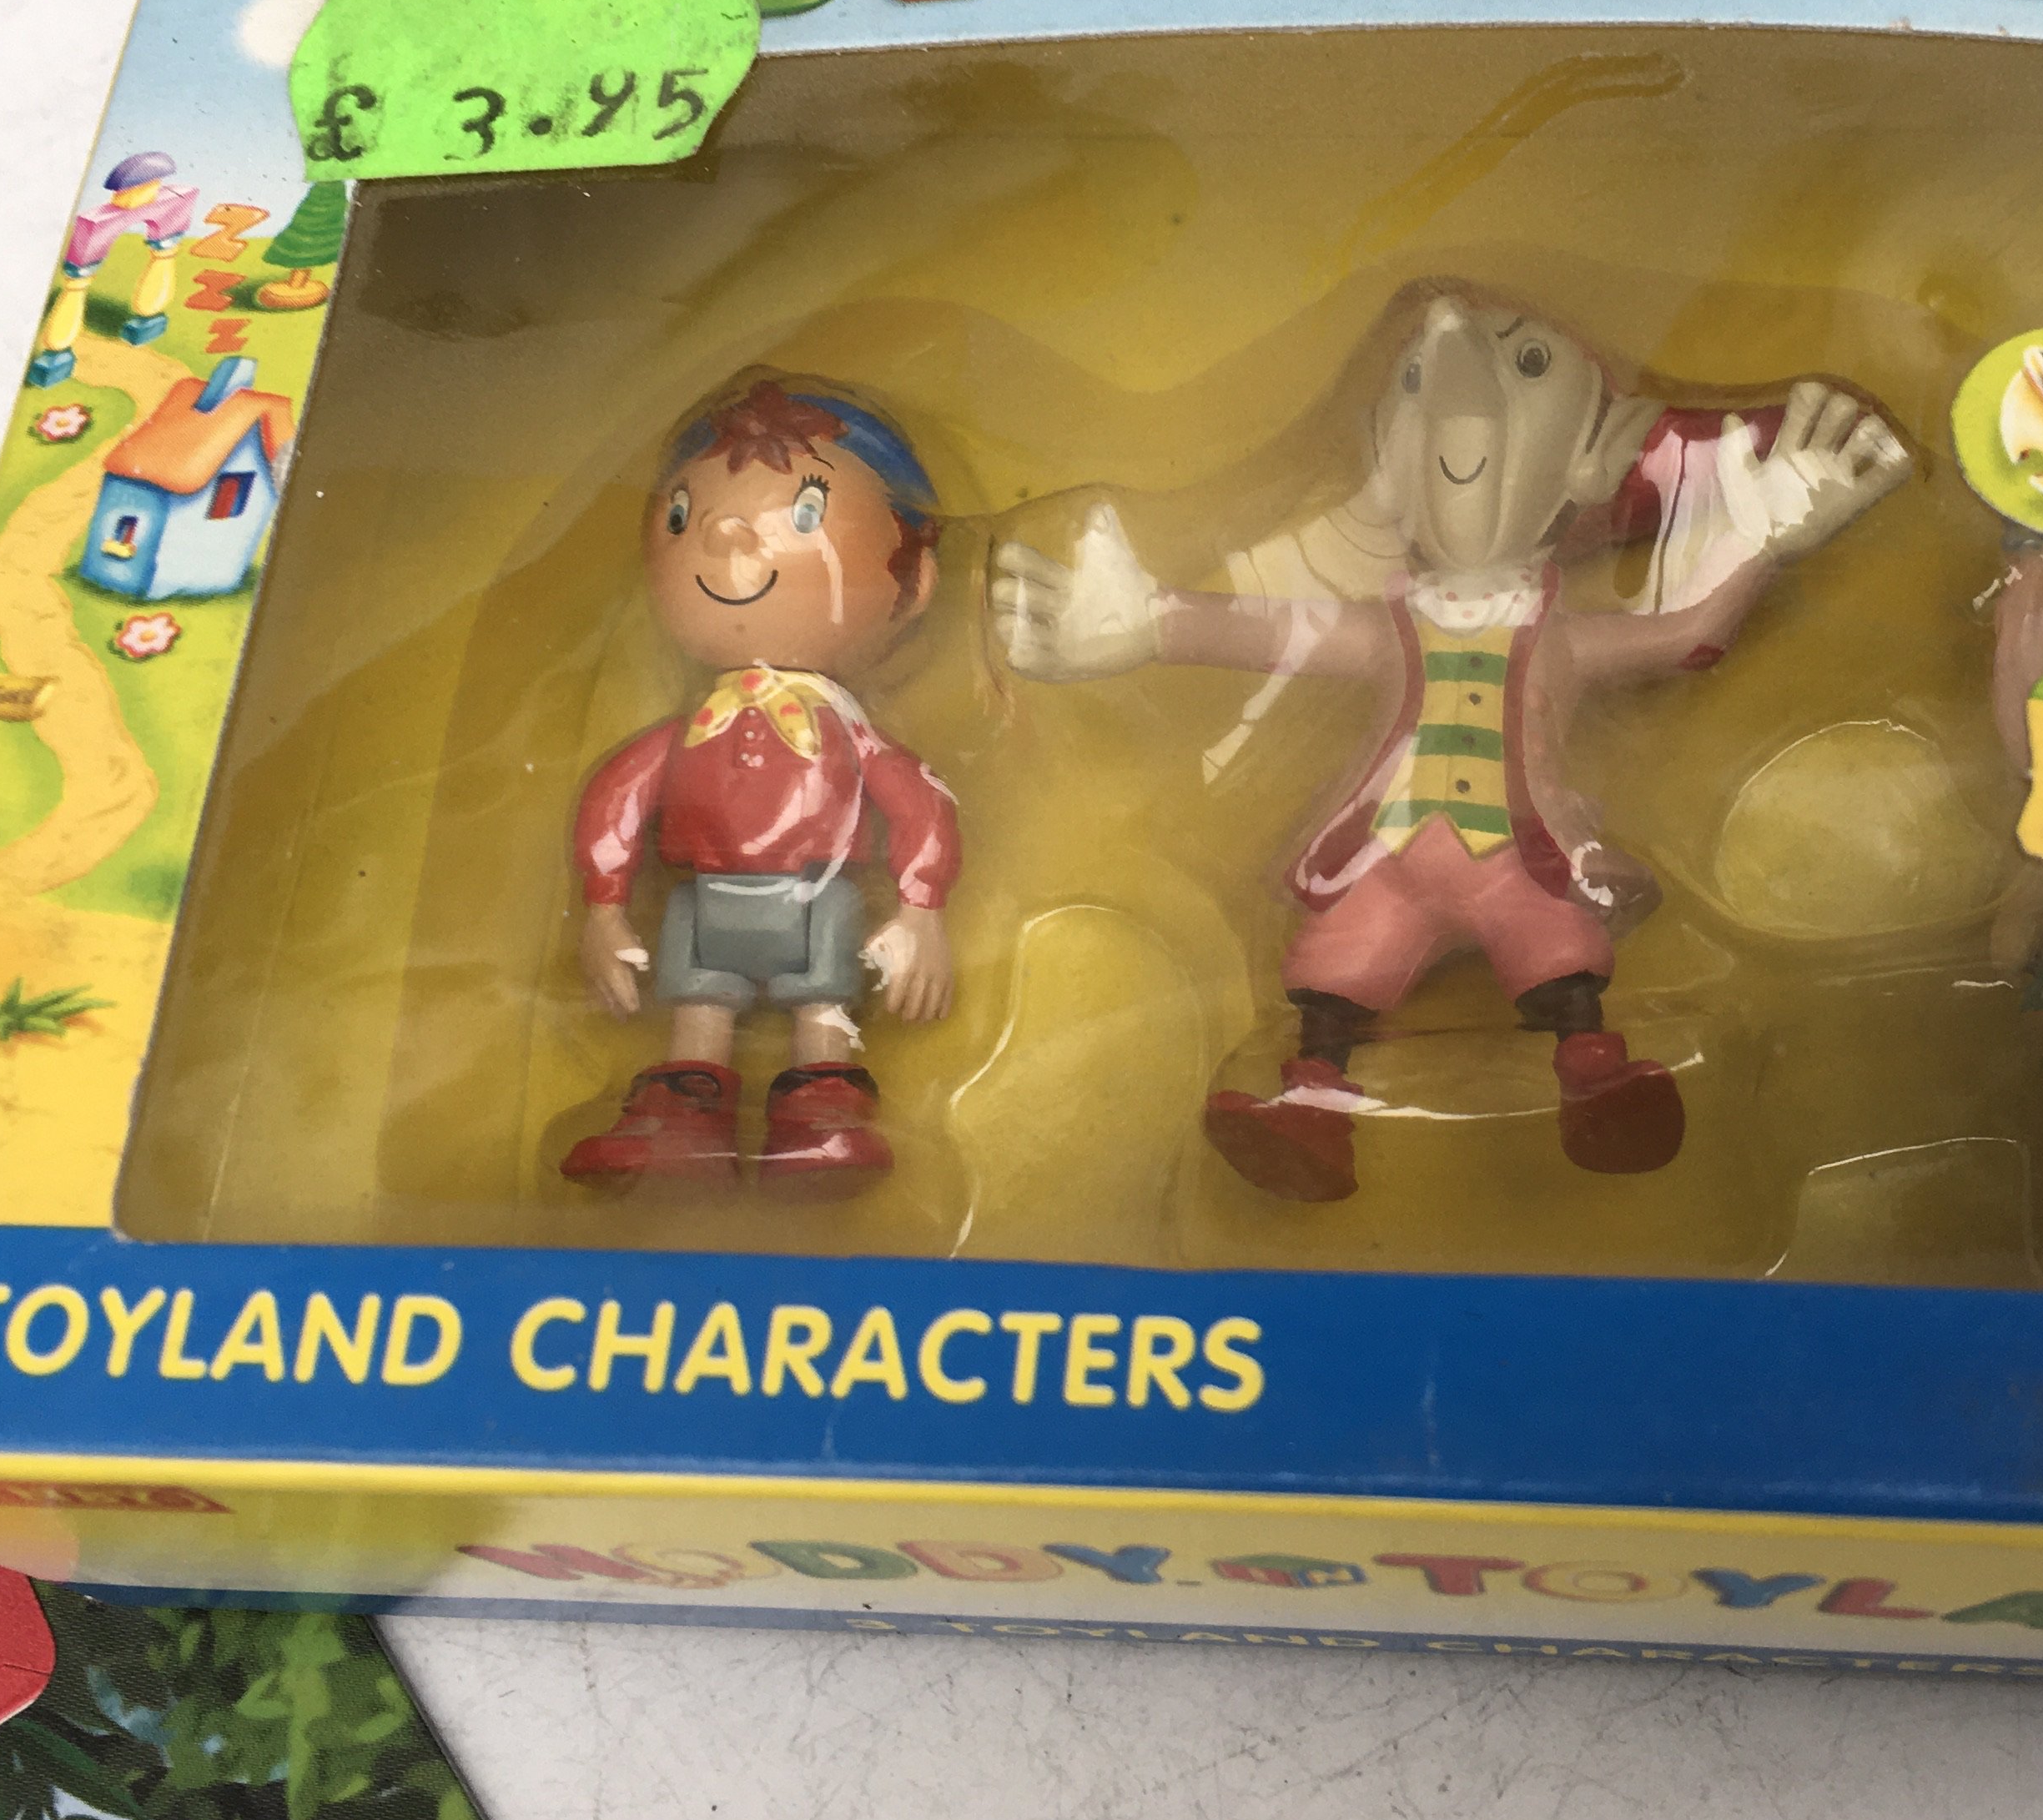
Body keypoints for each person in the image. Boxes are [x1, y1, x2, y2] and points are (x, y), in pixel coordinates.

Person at [992, 286, 1910, 1203]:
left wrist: (1771, 526)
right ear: (1385, 462)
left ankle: (1595, 1077)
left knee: (1555, 954)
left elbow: (1684, 634)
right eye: (1414, 380)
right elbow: (1277, 631)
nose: (1452, 386)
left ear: (1596, 458)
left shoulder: (1560, 635)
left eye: (1528, 363)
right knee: (1338, 974)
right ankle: (1314, 1103)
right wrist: (1145, 623)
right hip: (1388, 858)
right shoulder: (1393, 628)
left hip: (1519, 859)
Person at [565, 376, 959, 1182]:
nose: (726, 534)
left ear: (915, 581)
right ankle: (684, 1115)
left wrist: (921, 912)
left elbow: (918, 804)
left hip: (820, 901)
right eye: (683, 515)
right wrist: (603, 908)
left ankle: (823, 1111)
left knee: (824, 1007)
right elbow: (616, 801)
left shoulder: (850, 732)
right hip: (705, 901)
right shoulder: (684, 733)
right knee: (698, 1010)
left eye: (805, 514)